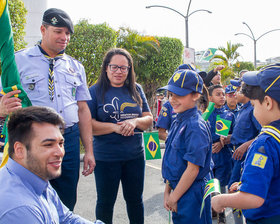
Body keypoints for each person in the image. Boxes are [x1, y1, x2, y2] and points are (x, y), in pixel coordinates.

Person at [0, 8, 95, 211]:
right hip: (32, 139)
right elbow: (3, 99)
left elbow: (83, 111)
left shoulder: (76, 67)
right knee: (29, 196)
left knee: (67, 199)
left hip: (67, 140)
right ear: (43, 29)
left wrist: (89, 151)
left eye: (68, 33)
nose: (64, 37)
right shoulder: (18, 61)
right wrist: (2, 108)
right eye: (59, 31)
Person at [0, 106, 100, 224]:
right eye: (48, 145)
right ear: (19, 150)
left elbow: (66, 218)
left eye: (61, 143)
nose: (60, 152)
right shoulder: (21, 209)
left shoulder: (34, 176)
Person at [87, 48, 153, 224]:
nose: (119, 71)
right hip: (106, 158)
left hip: (135, 157)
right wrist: (114, 128)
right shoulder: (94, 91)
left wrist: (134, 122)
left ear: (129, 69)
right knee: (105, 203)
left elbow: (149, 119)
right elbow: (89, 125)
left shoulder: (136, 89)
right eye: (114, 67)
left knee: (135, 201)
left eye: (124, 68)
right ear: (106, 68)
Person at [211, 64, 280, 223]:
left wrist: (221, 200)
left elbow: (253, 198)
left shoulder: (264, 144)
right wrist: (243, 186)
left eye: (255, 105)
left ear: (268, 103)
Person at [161, 69, 212, 223]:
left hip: (192, 193)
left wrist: (174, 197)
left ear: (196, 95)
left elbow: (192, 169)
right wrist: (167, 192)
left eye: (179, 95)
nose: (172, 99)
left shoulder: (195, 127)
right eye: (170, 94)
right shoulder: (178, 120)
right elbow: (172, 162)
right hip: (179, 188)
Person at [208, 84, 235, 224]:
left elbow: (235, 136)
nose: (222, 97)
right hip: (208, 155)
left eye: (223, 94)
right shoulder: (205, 114)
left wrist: (223, 142)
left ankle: (222, 216)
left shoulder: (229, 114)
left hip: (223, 156)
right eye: (218, 94)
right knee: (209, 184)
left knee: (222, 186)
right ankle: (211, 209)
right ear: (210, 97)